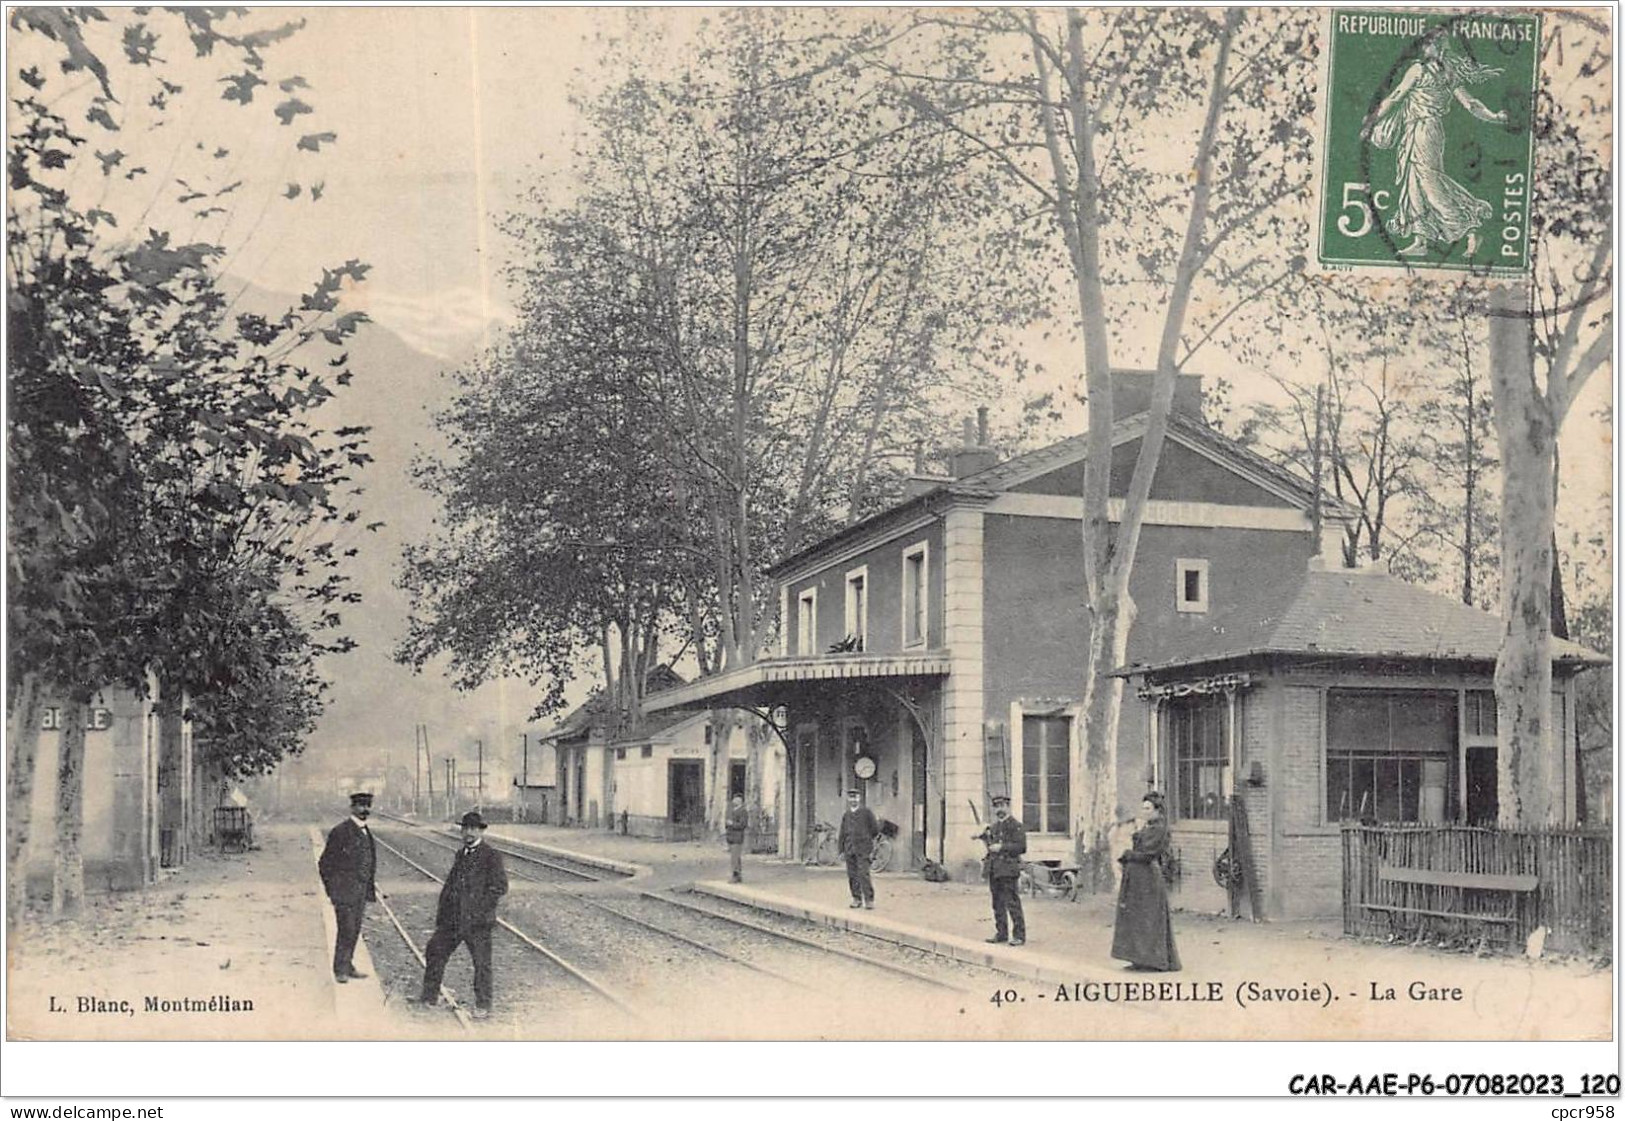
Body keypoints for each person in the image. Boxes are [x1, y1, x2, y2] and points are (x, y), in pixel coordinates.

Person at [1361, 33, 1509, 258]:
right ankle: (1421, 240)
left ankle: (1470, 229)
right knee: (1414, 183)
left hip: (1425, 131)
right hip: (1419, 130)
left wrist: (1372, 119)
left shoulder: (1420, 70)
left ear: (1435, 47)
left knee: (1430, 184)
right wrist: (1494, 117)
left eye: (1428, 44)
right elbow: (1471, 104)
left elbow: (1396, 97)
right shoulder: (1444, 72)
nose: (1424, 48)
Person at [418, 811, 509, 1019]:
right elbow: (451, 886)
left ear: (481, 831)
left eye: (473, 828)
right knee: (435, 951)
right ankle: (429, 996)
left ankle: (483, 1005)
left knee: (481, 964)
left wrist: (479, 911)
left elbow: (500, 887)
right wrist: (443, 915)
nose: (468, 832)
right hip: (453, 920)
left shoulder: (491, 856)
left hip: (477, 923)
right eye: (465, 828)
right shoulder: (461, 854)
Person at [1110, 791, 1181, 972]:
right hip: (1137, 876)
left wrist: (1128, 855)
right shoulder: (1148, 827)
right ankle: (1138, 958)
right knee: (1136, 916)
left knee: (1149, 918)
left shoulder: (1160, 829)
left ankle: (1154, 960)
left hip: (1148, 877)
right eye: (1143, 808)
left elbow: (1149, 853)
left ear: (1158, 810)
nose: (1144, 811)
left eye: (1148, 808)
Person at [318, 792, 377, 983]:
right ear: (352, 807)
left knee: (355, 929)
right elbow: (325, 863)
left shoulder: (366, 831)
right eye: (360, 806)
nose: (364, 809)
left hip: (359, 892)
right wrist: (332, 890)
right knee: (347, 929)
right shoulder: (340, 832)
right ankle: (340, 969)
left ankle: (348, 965)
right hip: (343, 892)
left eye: (367, 806)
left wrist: (368, 888)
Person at [980, 794, 1027, 946]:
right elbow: (989, 843)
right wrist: (981, 836)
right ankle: (1001, 933)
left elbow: (1021, 847)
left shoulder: (1016, 826)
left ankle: (1019, 935)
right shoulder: (993, 827)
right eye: (997, 807)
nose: (999, 809)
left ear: (1008, 807)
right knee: (997, 903)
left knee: (1012, 903)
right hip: (995, 870)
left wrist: (1002, 847)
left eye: (1002, 806)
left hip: (1008, 869)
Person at [837, 789, 878, 909]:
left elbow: (874, 829)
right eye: (851, 798)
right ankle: (856, 898)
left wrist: (867, 841)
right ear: (848, 799)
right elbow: (842, 833)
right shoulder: (846, 815)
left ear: (859, 798)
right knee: (852, 875)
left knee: (863, 874)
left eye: (855, 797)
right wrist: (841, 850)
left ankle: (869, 900)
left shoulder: (866, 812)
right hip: (849, 849)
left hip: (863, 849)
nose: (853, 800)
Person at [725, 793, 748, 883]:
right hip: (731, 836)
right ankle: (738, 875)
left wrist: (732, 824)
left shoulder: (743, 811)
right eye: (734, 799)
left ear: (740, 801)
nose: (734, 801)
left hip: (737, 837)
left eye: (736, 799)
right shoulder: (731, 810)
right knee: (735, 857)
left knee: (734, 858)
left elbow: (743, 824)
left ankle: (735, 875)